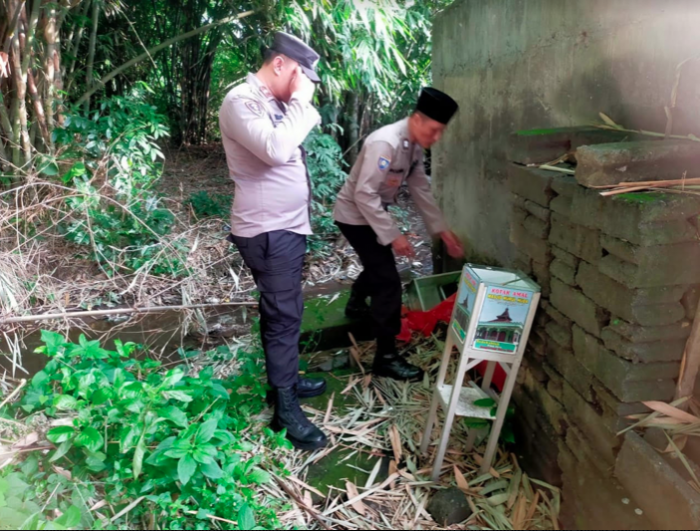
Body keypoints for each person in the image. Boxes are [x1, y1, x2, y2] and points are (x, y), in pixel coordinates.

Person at [218, 32, 328, 451]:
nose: (304, 86)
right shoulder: (240, 101)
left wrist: (295, 100)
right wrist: (302, 100)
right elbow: (276, 149)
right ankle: (284, 408)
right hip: (267, 230)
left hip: (286, 227)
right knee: (283, 315)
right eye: (301, 75)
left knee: (285, 309)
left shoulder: (275, 102)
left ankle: (285, 382)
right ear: (280, 64)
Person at [333, 87, 464, 382]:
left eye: (441, 131)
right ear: (417, 119)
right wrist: (393, 235)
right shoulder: (386, 143)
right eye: (434, 129)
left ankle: (355, 301)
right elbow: (363, 195)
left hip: (372, 214)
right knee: (389, 281)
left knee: (379, 265)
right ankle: (386, 357)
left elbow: (420, 190)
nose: (437, 137)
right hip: (354, 216)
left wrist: (441, 230)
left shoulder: (414, 145)